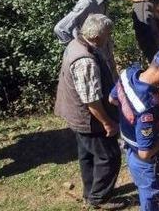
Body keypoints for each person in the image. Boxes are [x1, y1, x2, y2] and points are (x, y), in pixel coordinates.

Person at [54, 14, 125, 210]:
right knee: (109, 156)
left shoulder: (76, 42)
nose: (109, 38)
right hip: (88, 118)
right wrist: (107, 123)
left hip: (75, 115)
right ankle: (99, 198)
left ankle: (90, 190)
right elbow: (91, 100)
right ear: (97, 36)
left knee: (87, 154)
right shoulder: (85, 60)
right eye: (107, 35)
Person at [109, 47, 159, 211]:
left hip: (130, 146)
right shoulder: (147, 108)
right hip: (149, 163)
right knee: (155, 198)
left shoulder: (128, 74)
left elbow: (112, 99)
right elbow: (145, 153)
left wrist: (131, 120)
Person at [54, 0, 151, 80]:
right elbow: (60, 28)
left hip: (105, 46)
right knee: (102, 81)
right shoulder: (86, 4)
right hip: (94, 51)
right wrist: (79, 51)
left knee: (112, 77)